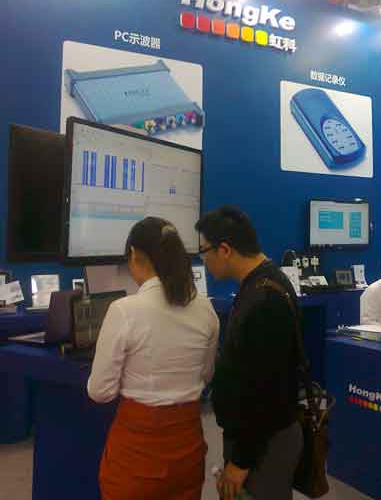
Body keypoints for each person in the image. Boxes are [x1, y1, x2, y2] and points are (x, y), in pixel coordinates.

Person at [87, 217, 219, 500]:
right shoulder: (205, 308)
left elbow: (100, 391)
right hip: (189, 447)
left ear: (134, 254)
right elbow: (206, 374)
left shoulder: (124, 310)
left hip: (138, 453)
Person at [195, 205, 303, 500]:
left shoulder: (265, 299)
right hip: (257, 439)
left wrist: (241, 461)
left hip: (264, 445)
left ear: (225, 250)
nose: (204, 261)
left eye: (204, 252)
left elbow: (266, 391)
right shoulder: (260, 283)